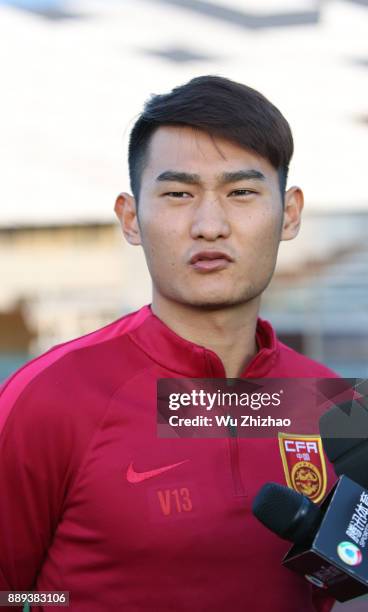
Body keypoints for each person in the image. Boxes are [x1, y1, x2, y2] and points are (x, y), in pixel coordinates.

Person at [1, 75, 349, 612]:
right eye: (179, 194)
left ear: (291, 213)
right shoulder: (48, 398)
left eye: (241, 192)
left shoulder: (334, 405)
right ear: (131, 217)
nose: (210, 225)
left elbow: (345, 583)